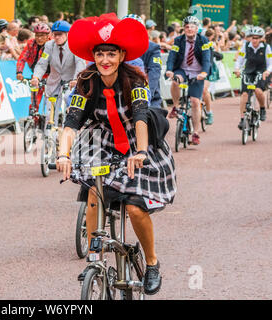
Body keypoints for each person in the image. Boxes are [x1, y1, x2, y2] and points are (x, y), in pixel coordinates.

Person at [58, 13, 176, 295]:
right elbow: (71, 122)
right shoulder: (86, 81)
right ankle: (95, 258)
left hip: (139, 143)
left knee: (135, 207)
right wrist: (63, 155)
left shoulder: (135, 80)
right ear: (93, 56)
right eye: (100, 54)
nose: (105, 60)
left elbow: (140, 117)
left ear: (122, 55)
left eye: (111, 54)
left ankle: (151, 263)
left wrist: (141, 152)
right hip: (104, 142)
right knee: (93, 191)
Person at [166, 16, 211, 146]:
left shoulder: (204, 41)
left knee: (195, 101)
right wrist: (169, 70)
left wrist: (204, 73)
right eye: (187, 27)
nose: (189, 29)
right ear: (184, 29)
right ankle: (176, 106)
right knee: (175, 81)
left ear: (197, 29)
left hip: (198, 73)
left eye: (192, 27)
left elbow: (207, 59)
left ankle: (195, 133)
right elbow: (172, 56)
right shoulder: (178, 40)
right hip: (182, 70)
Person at [31, 20, 86, 98]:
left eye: (60, 34)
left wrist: (76, 80)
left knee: (67, 100)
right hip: (53, 84)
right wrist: (36, 77)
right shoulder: (49, 45)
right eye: (55, 34)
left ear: (68, 34)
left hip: (71, 83)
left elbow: (80, 63)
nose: (56, 37)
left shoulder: (76, 45)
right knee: (51, 109)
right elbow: (42, 64)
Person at [234, 27, 271, 125]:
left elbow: (270, 62)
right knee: (244, 94)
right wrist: (237, 69)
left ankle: (262, 108)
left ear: (261, 38)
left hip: (261, 72)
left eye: (257, 38)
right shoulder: (245, 46)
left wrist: (267, 71)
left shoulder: (266, 47)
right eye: (253, 38)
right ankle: (242, 119)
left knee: (258, 90)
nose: (255, 40)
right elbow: (240, 59)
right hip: (248, 72)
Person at [16, 23, 51, 115]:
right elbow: (22, 58)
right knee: (34, 102)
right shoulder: (30, 43)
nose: (39, 38)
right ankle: (33, 120)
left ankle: (51, 122)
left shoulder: (53, 44)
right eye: (37, 35)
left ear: (48, 36)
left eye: (42, 36)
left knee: (51, 102)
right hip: (36, 75)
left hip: (52, 75)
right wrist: (19, 72)